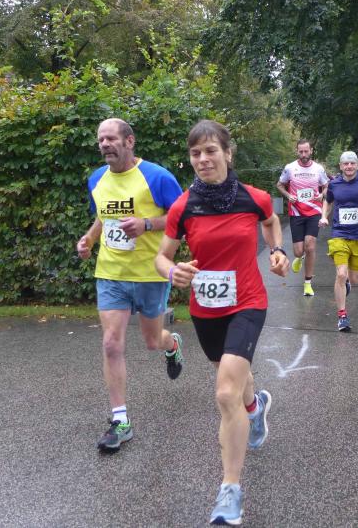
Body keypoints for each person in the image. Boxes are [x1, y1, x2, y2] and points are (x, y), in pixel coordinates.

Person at [155, 120, 289, 525]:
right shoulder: (183, 206)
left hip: (248, 301)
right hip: (206, 309)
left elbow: (271, 222)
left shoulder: (254, 198)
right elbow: (162, 256)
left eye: (211, 150)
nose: (203, 159)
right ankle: (256, 406)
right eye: (196, 153)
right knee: (231, 375)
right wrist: (172, 271)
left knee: (225, 392)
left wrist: (278, 251)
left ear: (228, 154)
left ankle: (230, 491)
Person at [76, 118, 185, 452]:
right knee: (111, 343)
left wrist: (146, 224)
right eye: (100, 140)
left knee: (152, 341)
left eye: (111, 138)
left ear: (129, 141)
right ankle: (120, 420)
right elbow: (103, 217)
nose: (105, 144)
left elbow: (182, 219)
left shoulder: (157, 177)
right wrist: (89, 239)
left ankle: (172, 344)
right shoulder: (97, 179)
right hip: (111, 273)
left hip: (150, 274)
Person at [319, 151, 358, 331]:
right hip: (340, 234)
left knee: (354, 278)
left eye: (352, 163)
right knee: (341, 274)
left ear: (357, 165)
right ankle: (342, 316)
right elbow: (328, 201)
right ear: (341, 166)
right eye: (346, 163)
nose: (349, 166)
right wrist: (324, 216)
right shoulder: (334, 184)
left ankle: (347, 285)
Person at [276, 139, 329, 296]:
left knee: (310, 246)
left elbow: (326, 185)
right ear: (297, 151)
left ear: (311, 151)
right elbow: (279, 185)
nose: (304, 154)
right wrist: (288, 195)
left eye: (306, 151)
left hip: (314, 211)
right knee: (299, 251)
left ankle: (307, 283)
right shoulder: (290, 168)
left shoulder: (318, 168)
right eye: (301, 152)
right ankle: (300, 257)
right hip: (296, 213)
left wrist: (322, 194)